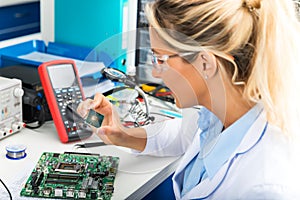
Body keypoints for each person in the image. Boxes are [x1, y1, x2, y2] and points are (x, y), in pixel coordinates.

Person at [78, 0, 300, 199]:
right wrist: (122, 134)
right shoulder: (225, 109)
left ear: (205, 63)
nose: (155, 72)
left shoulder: (267, 187)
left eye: (160, 58)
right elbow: (184, 135)